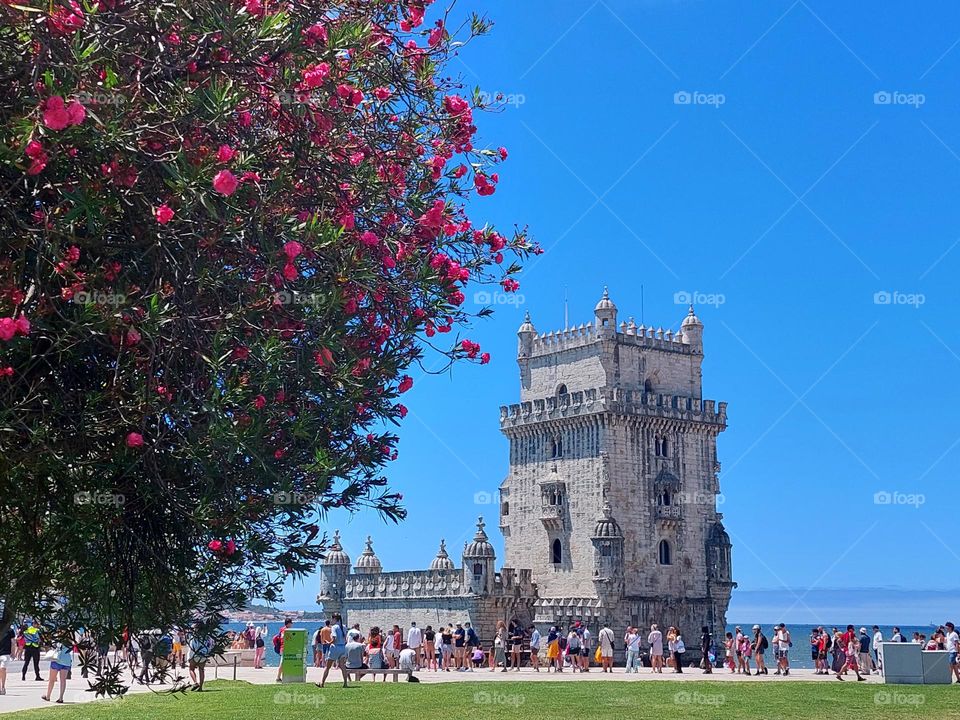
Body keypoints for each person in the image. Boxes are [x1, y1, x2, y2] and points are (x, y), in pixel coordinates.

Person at [316, 613, 349, 689]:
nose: (331, 620)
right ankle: (345, 683)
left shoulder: (334, 627)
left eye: (332, 619)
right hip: (343, 647)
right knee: (342, 666)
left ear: (335, 619)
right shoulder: (344, 627)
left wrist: (328, 643)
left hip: (335, 648)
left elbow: (334, 638)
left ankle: (322, 683)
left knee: (327, 667)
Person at [40, 637, 72, 704]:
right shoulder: (70, 639)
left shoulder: (57, 639)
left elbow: (52, 647)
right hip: (66, 660)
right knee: (63, 680)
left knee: (52, 679)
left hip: (57, 660)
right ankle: (61, 698)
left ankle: (48, 696)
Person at [188, 626, 212, 691]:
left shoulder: (194, 638)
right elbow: (210, 646)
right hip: (203, 655)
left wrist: (190, 657)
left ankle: (195, 682)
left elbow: (191, 648)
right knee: (201, 670)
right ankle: (200, 687)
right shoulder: (208, 638)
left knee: (191, 669)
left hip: (195, 655)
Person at [273, 618, 292, 682]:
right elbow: (283, 638)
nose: (291, 625)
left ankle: (285, 675)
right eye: (291, 623)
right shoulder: (285, 630)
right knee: (282, 662)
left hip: (283, 648)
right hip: (284, 648)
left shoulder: (282, 629)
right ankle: (278, 677)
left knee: (284, 662)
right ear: (288, 624)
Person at [0, 624, 14, 695]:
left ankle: (3, 687)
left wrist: (13, 652)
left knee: (2, 669)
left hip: (5, 653)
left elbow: (13, 642)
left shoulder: (9, 630)